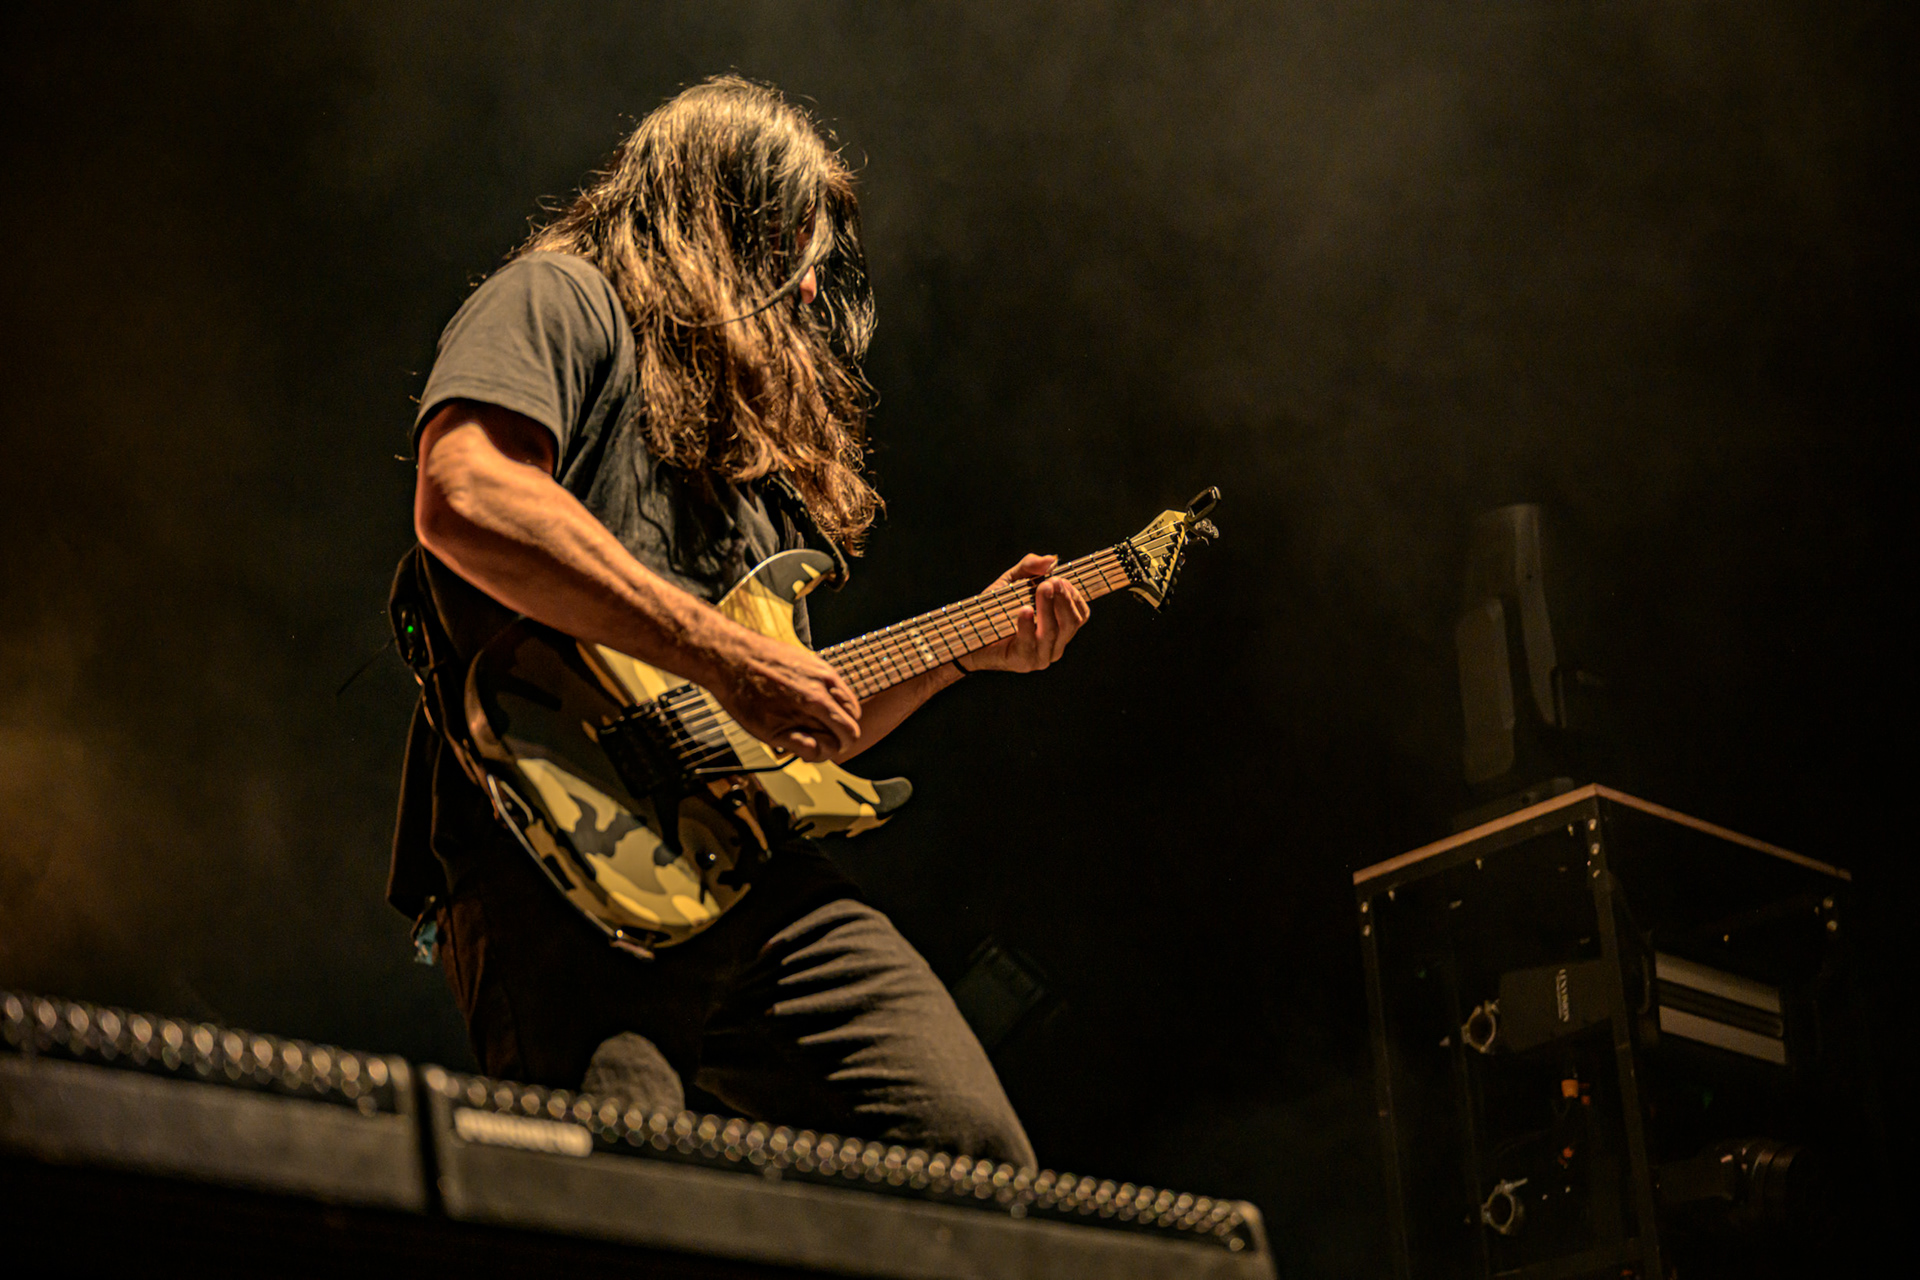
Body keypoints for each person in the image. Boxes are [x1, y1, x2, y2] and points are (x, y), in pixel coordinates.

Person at [387, 76, 1088, 1168]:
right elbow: (466, 493)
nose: (807, 292)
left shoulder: (739, 454)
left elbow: (792, 729)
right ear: (724, 220)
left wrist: (966, 654)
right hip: (562, 848)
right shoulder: (559, 299)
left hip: (749, 870)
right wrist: (720, 653)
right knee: (618, 1195)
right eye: (792, 255)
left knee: (971, 1158)